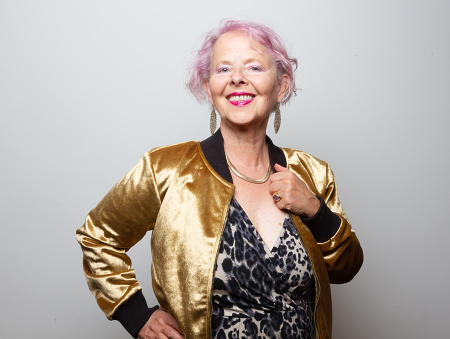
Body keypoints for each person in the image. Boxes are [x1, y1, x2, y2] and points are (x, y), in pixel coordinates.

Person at [77, 20, 363, 339]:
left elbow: (346, 267)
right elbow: (98, 236)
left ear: (281, 85)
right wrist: (136, 315)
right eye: (223, 69)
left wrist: (315, 209)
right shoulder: (167, 170)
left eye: (253, 67)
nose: (237, 78)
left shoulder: (311, 171)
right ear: (208, 87)